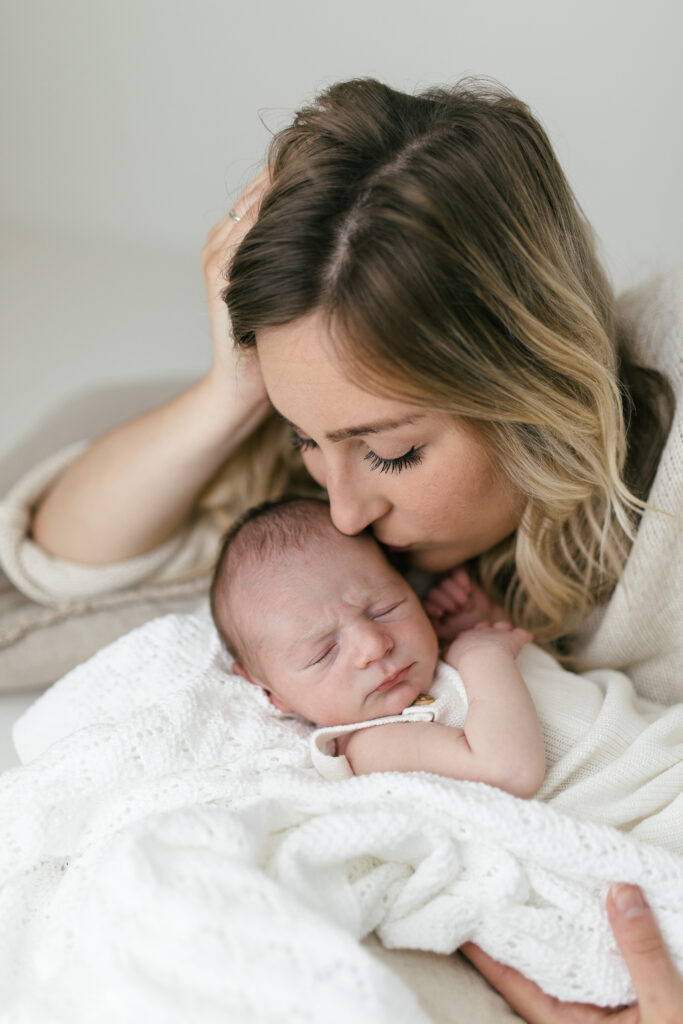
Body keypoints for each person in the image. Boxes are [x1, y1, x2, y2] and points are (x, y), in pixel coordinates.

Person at [4, 77, 680, 1019]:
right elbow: (54, 565)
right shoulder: (317, 510)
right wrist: (228, 395)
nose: (345, 512)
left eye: (391, 452)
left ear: (530, 381)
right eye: (303, 440)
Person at [210, 496, 544, 794]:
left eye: (385, 610)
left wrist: (476, 624)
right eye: (324, 652)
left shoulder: (434, 656)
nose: (373, 646)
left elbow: (547, 678)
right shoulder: (372, 744)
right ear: (274, 693)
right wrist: (483, 655)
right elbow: (509, 772)